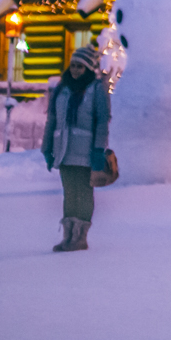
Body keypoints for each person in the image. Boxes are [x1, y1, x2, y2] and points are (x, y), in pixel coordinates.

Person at [41, 44, 110, 252]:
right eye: (73, 65)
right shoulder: (62, 89)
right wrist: (47, 148)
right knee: (69, 193)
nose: (76, 70)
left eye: (80, 66)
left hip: (86, 152)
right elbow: (51, 119)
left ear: (88, 68)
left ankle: (80, 236)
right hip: (64, 150)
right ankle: (68, 235)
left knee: (83, 193)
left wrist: (98, 149)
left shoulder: (97, 88)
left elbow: (102, 121)